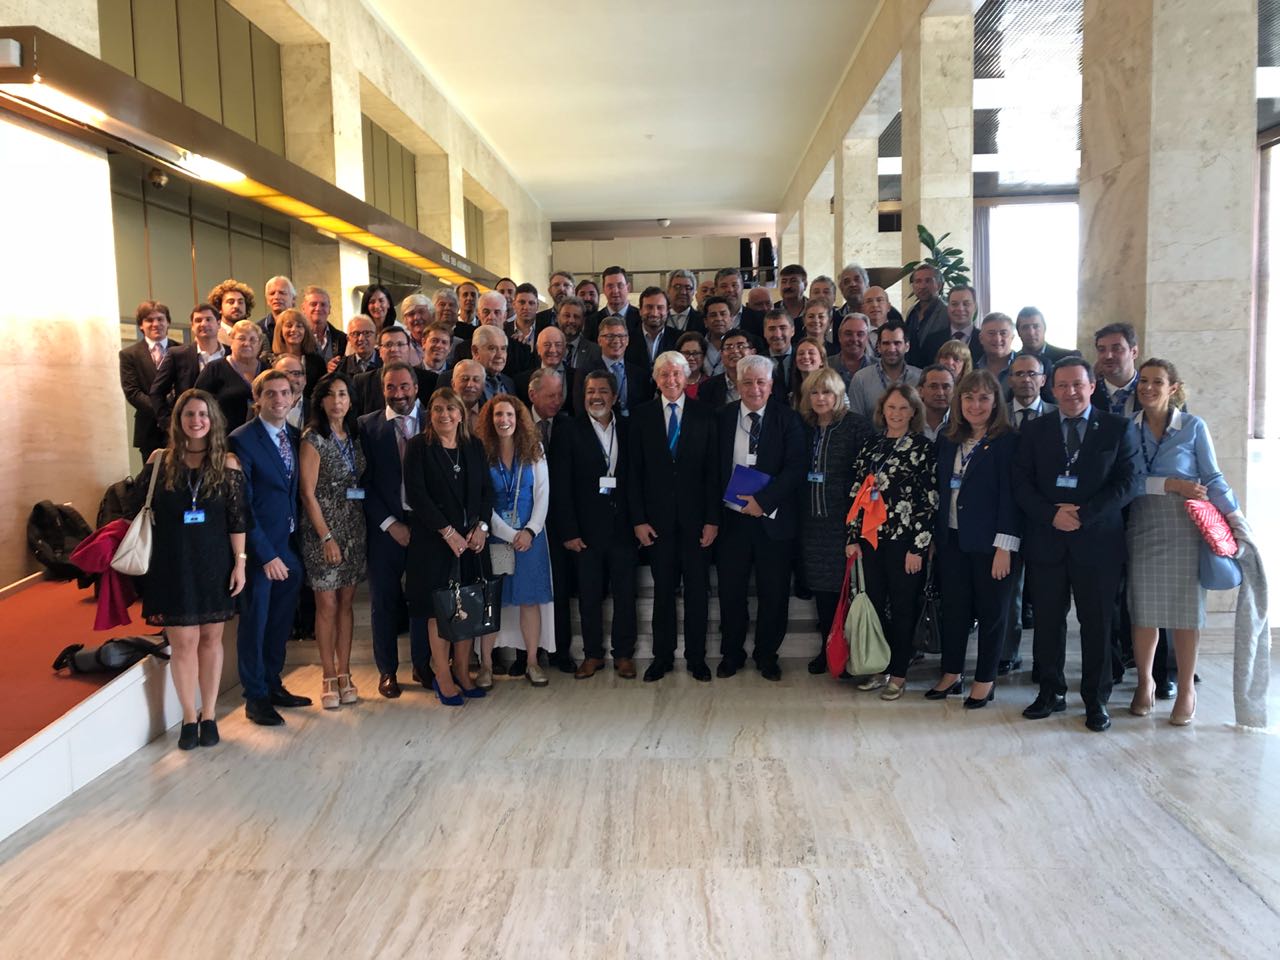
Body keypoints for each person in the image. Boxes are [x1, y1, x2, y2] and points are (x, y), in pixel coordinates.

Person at [1013, 357, 1141, 732]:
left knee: (1097, 624)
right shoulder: (1035, 430)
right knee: (1048, 622)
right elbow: (1021, 482)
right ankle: (1050, 691)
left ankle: (1096, 699)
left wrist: (1084, 514)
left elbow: (1129, 482)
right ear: (1052, 388)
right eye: (1063, 385)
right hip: (1047, 539)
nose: (1070, 392)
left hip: (1098, 543)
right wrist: (1051, 515)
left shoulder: (1117, 428)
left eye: (1078, 384)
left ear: (1091, 386)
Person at [1127, 358, 1243, 726]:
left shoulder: (1193, 427)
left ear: (1173, 388)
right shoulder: (1127, 427)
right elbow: (1126, 481)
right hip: (1143, 524)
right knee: (1143, 610)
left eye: (1157, 382)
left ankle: (1186, 689)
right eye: (1143, 381)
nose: (1148, 388)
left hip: (1185, 526)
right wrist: (1171, 484)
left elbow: (1212, 477)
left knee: (1186, 611)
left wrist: (1236, 518)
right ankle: (1145, 683)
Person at [128, 389, 246, 749]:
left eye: (203, 414)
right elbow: (135, 507)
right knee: (183, 644)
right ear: (178, 421)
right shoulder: (159, 460)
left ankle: (209, 715)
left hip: (214, 562)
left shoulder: (227, 463)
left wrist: (240, 563)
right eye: (189, 414)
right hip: (171, 564)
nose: (197, 421)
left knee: (210, 640)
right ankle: (188, 717)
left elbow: (237, 520)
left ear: (213, 420)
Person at [629, 352, 721, 682]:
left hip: (697, 523)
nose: (670, 380)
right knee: (663, 593)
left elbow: (714, 472)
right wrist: (638, 520)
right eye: (664, 375)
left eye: (676, 374)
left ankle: (696, 658)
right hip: (657, 524)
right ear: (656, 379)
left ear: (686, 377)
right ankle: (662, 657)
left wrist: (712, 520)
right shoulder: (640, 416)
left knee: (697, 593)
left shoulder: (705, 414)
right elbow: (633, 473)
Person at [930, 370, 1020, 708]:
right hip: (952, 539)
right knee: (954, 609)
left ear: (995, 402)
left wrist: (1005, 546)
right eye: (968, 398)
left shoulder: (1008, 441)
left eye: (983, 398)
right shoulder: (947, 438)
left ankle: (985, 679)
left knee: (992, 611)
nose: (975, 405)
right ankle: (952, 673)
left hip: (992, 543)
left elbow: (1012, 496)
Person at [715, 355, 806, 681]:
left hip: (773, 520)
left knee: (774, 593)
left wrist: (763, 501)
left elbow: (796, 467)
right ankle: (732, 654)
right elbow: (712, 467)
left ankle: (767, 655)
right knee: (731, 592)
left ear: (770, 385)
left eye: (761, 382)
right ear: (738, 385)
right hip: (732, 521)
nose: (754, 388)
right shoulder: (723, 417)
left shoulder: (788, 419)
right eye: (748, 382)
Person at [229, 370, 311, 726]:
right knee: (256, 623)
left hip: (288, 545)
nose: (279, 399)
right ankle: (256, 696)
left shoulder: (293, 435)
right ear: (257, 399)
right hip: (258, 551)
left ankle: (273, 682)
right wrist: (266, 555)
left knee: (280, 622)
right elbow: (242, 505)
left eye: (285, 393)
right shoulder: (241, 440)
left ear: (294, 398)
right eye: (271, 394)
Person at [402, 387, 494, 705]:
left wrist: (482, 527)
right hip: (434, 542)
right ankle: (443, 676)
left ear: (460, 414)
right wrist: (447, 532)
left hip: (470, 542)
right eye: (438, 409)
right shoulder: (419, 446)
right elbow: (417, 495)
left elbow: (486, 491)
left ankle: (462, 673)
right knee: (438, 611)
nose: (445, 415)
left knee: (466, 607)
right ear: (431, 413)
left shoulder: (473, 445)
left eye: (450, 409)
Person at [845, 385, 938, 699]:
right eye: (891, 407)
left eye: (903, 408)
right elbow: (857, 491)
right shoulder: (871, 444)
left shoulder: (923, 447)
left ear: (913, 412)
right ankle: (880, 667)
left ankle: (898, 673)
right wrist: (852, 537)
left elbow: (929, 501)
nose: (896, 414)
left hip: (904, 542)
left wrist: (918, 548)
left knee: (902, 608)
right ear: (882, 410)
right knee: (875, 606)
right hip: (871, 540)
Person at [551, 370, 639, 679]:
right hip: (585, 532)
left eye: (602, 391)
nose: (596, 397)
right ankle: (592, 655)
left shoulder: (628, 428)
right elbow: (560, 486)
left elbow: (638, 479)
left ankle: (623, 654)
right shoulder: (568, 431)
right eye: (590, 392)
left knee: (626, 595)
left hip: (623, 528)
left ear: (614, 397)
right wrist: (569, 531)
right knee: (589, 596)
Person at [358, 362, 432, 698]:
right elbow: (364, 483)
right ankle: (387, 671)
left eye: (404, 386)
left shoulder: (435, 419)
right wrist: (390, 524)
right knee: (384, 602)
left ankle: (422, 665)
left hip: (426, 527)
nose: (398, 394)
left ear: (416, 387)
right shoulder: (367, 426)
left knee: (422, 600)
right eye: (391, 387)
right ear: (382, 389)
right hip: (385, 528)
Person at [298, 372, 367, 710]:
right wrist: (326, 536)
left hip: (354, 528)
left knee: (346, 603)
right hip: (322, 532)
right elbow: (307, 493)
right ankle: (327, 674)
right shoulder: (313, 438)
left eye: (343, 394)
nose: (337, 401)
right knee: (326, 604)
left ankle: (345, 672)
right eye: (331, 395)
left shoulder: (354, 435)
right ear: (321, 401)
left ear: (350, 400)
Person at [798, 367, 874, 674]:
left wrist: (856, 525)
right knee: (823, 592)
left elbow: (868, 478)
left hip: (846, 523)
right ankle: (829, 650)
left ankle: (856, 652)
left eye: (827, 392)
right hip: (812, 525)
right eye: (814, 392)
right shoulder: (804, 427)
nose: (820, 398)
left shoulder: (856, 426)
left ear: (839, 394)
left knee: (851, 589)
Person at [475, 395, 554, 688]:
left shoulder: (534, 449)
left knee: (529, 600)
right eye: (498, 415)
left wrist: (530, 530)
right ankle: (485, 665)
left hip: (531, 539)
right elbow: (483, 500)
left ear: (519, 419)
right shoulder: (482, 452)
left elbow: (543, 493)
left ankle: (532, 662)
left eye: (509, 414)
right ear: (490, 419)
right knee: (491, 601)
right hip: (495, 537)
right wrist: (510, 534)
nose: (504, 420)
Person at [151, 304, 226, 436]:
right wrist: (168, 423)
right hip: (189, 429)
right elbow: (157, 392)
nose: (203, 324)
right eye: (198, 320)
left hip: (225, 428)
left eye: (209, 319)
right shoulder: (177, 355)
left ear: (219, 323)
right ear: (192, 326)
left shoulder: (231, 353)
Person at [119, 300, 180, 461]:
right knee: (152, 475)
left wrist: (173, 415)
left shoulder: (183, 350)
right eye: (149, 320)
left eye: (160, 319)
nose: (156, 324)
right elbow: (132, 392)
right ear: (141, 325)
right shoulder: (129, 355)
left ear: (168, 322)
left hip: (180, 425)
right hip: (148, 428)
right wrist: (162, 413)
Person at [195, 319, 266, 430]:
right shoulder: (214, 369)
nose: (247, 343)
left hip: (261, 434)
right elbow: (198, 402)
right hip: (222, 435)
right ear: (231, 341)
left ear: (259, 344)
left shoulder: (267, 370)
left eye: (253, 340)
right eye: (241, 338)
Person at [848, 320, 921, 418]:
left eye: (897, 343)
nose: (891, 349)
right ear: (878, 347)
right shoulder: (861, 379)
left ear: (907, 346)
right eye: (886, 343)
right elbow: (854, 421)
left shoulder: (920, 378)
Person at [1015, 307, 1079, 404]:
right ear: (1018, 332)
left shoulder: (1068, 357)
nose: (1031, 332)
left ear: (1044, 328)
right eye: (1025, 327)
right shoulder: (1013, 361)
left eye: (1036, 326)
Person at [266, 308, 326, 397]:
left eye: (299, 326)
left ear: (305, 331)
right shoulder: (269, 361)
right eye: (289, 325)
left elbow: (322, 393)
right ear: (280, 330)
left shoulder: (317, 362)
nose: (294, 329)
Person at [301, 286, 346, 368]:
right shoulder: (298, 338)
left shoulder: (342, 339)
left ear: (329, 309)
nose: (318, 308)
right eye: (313, 304)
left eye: (323, 304)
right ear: (303, 308)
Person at [829, 312, 874, 387]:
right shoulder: (825, 366)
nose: (854, 339)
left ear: (867, 338)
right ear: (839, 336)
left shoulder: (880, 368)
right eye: (848, 334)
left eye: (860, 334)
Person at [209, 278, 255, 346]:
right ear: (219, 307)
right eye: (231, 302)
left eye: (240, 302)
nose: (236, 306)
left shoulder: (256, 335)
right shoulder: (211, 336)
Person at [919, 364, 954, 442]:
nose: (940, 393)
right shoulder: (908, 420)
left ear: (954, 391)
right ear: (921, 391)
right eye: (933, 387)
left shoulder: (961, 422)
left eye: (946, 387)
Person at [789, 337, 828, 408]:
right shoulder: (791, 394)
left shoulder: (833, 387)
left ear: (822, 360)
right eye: (801, 353)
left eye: (811, 353)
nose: (806, 357)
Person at [676, 331, 710, 397]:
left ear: (703, 356)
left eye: (696, 353)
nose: (691, 358)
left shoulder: (711, 383)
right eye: (686, 353)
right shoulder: (671, 382)